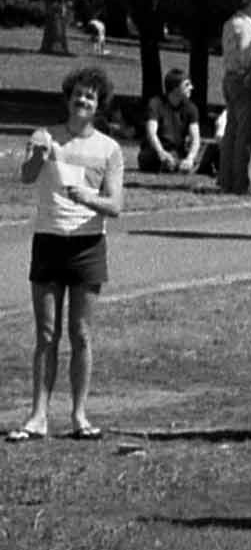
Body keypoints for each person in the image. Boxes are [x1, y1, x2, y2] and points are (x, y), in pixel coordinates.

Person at [12, 67, 126, 443]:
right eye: (78, 94)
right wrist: (38, 156)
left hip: (87, 245)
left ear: (98, 105)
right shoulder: (46, 136)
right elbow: (27, 177)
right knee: (46, 333)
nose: (83, 101)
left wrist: (88, 198)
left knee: (81, 334)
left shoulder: (109, 149)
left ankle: (79, 415)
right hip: (48, 240)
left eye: (90, 97)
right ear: (68, 97)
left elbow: (116, 205)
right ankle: (38, 416)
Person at [218, 0, 251, 195]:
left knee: (231, 130)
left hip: (229, 78)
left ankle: (225, 178)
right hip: (242, 80)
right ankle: (241, 182)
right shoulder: (245, 26)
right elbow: (247, 56)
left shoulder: (229, 24)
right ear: (249, 3)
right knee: (243, 134)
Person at [139, 72, 209, 174]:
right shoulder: (155, 104)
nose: (191, 87)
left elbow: (196, 138)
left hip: (177, 151)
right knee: (152, 158)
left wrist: (190, 158)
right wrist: (161, 152)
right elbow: (151, 134)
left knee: (206, 150)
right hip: (154, 150)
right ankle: (175, 164)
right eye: (187, 85)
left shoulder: (191, 108)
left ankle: (181, 164)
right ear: (175, 88)